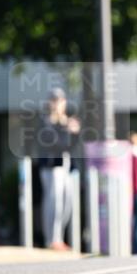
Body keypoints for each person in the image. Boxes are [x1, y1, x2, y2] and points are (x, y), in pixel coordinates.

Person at [37, 87, 80, 251]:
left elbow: (71, 147)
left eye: (60, 101)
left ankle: (59, 237)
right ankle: (52, 239)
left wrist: (75, 133)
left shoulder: (66, 122)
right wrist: (65, 129)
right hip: (51, 167)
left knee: (67, 203)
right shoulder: (45, 121)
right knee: (53, 203)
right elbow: (55, 144)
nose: (57, 104)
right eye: (54, 100)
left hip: (66, 167)